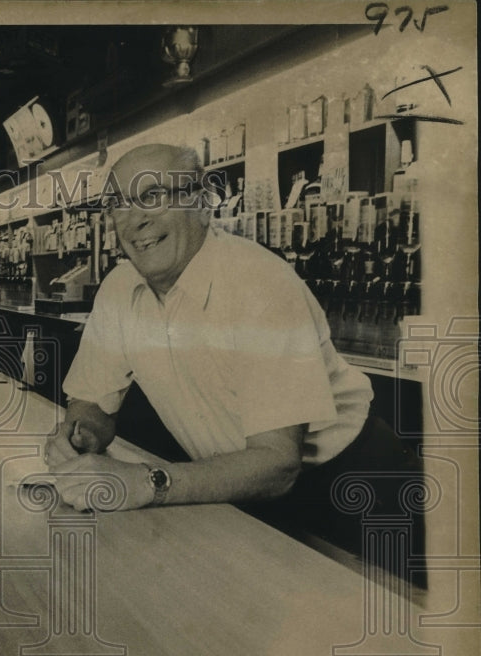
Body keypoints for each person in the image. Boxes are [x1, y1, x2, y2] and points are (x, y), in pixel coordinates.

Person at [46, 144, 421, 561]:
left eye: (153, 196)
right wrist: (80, 433)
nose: (135, 220)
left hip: (356, 487)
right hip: (242, 486)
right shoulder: (119, 290)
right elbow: (92, 401)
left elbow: (277, 464)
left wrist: (145, 482)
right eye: (119, 204)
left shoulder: (259, 283)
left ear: (202, 202)